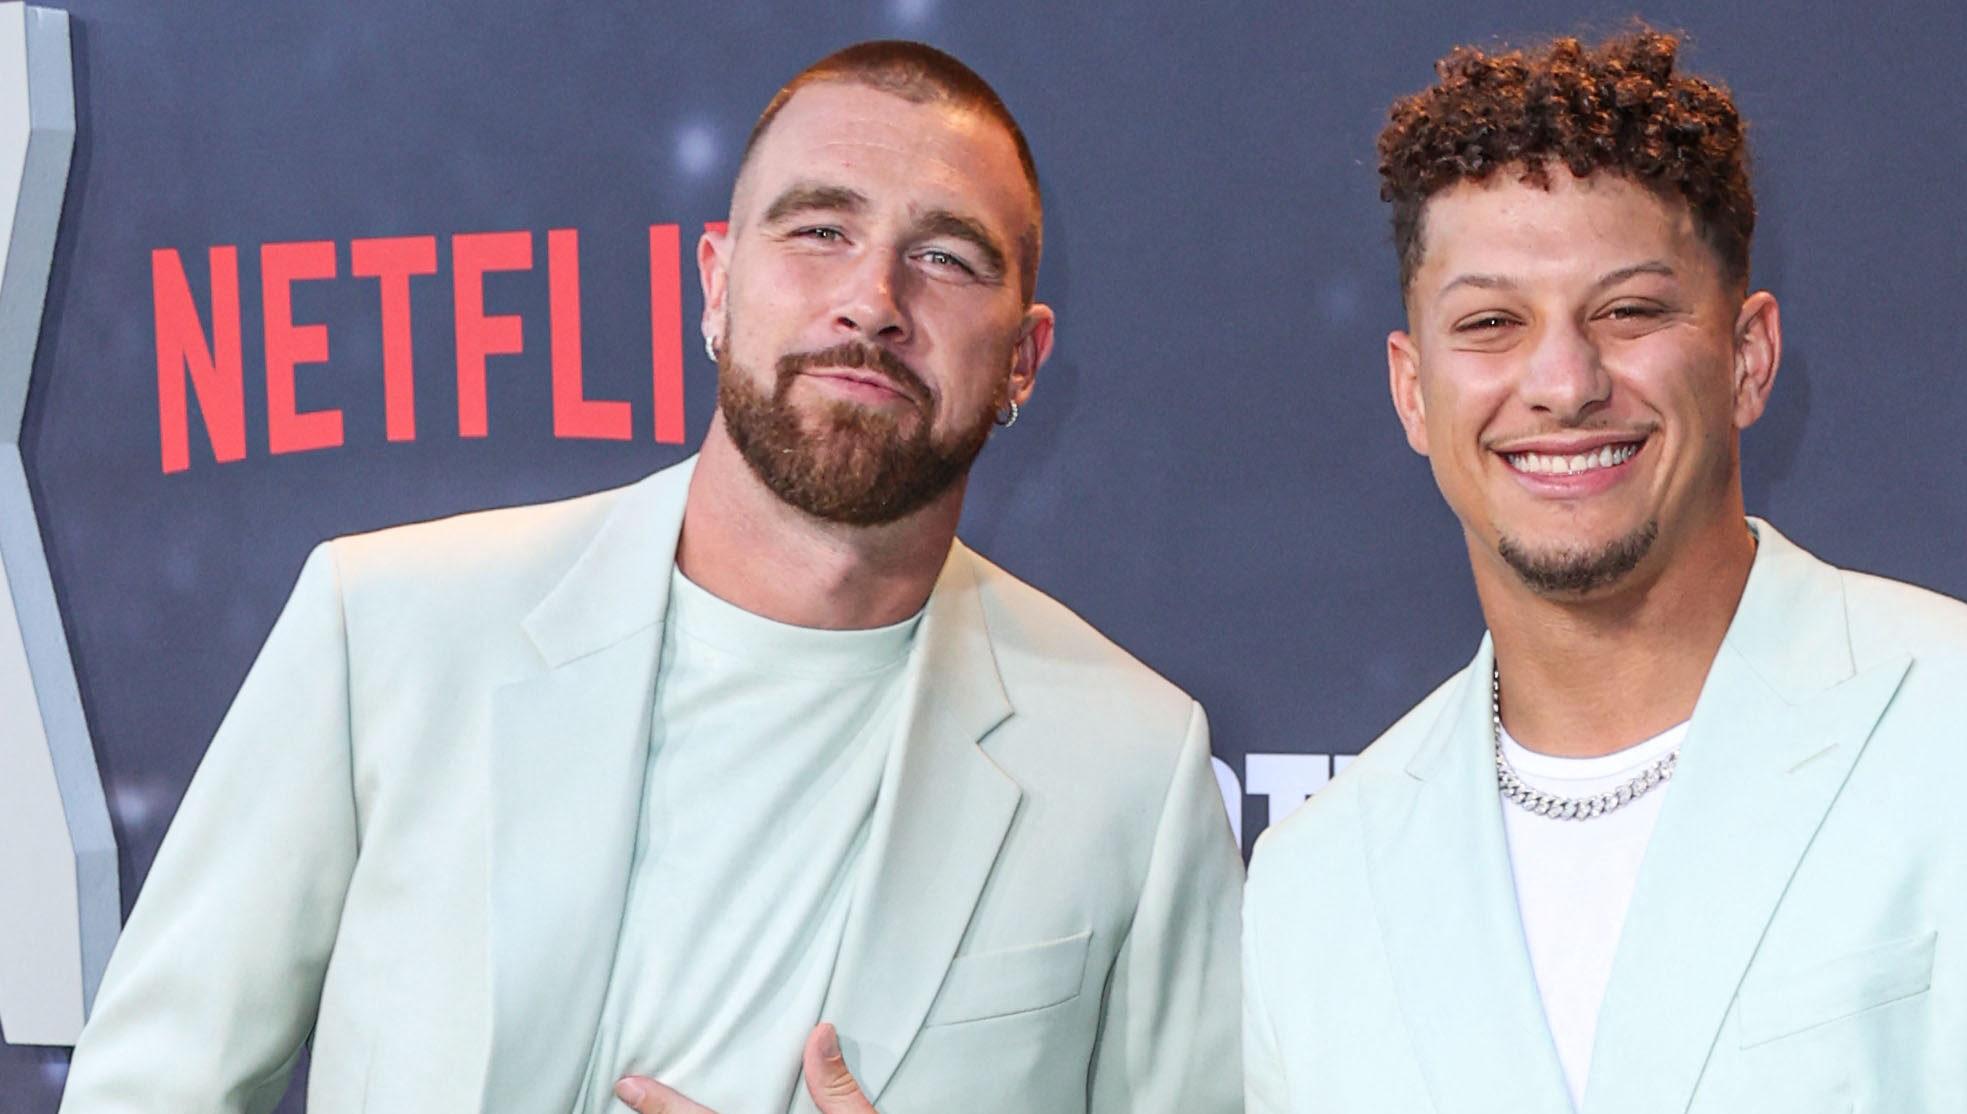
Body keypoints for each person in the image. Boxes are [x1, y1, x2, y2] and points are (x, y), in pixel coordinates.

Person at [61, 40, 1241, 1114]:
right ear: (717, 284)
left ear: (1024, 358)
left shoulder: (1130, 764)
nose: (873, 302)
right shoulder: (386, 629)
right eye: (819, 230)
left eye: (944, 257)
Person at [1240, 28, 1967, 1114]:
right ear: (1413, 390)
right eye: (1492, 323)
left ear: (1747, 358)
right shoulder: (1318, 881)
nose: (1563, 381)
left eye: (1627, 312)